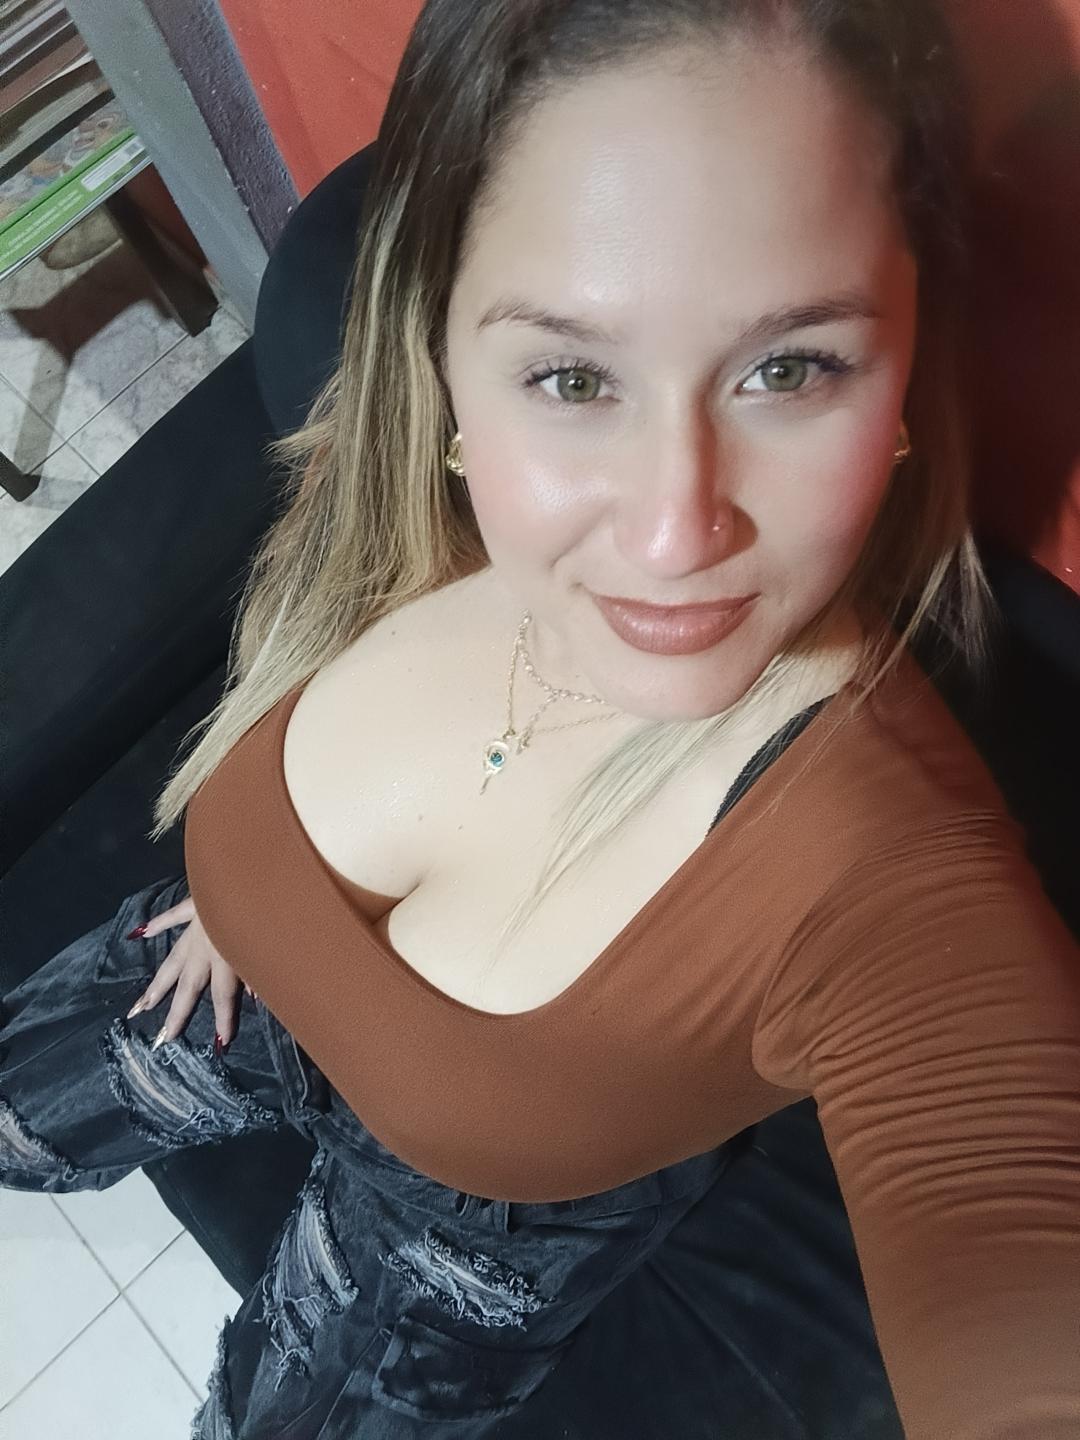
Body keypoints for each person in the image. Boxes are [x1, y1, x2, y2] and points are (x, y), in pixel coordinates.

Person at [2, 0, 1078, 1436]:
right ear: (446, 365)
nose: (673, 533)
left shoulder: (897, 884)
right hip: (214, 980)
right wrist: (249, 900)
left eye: (789, 367)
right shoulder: (407, 498)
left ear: (903, 381)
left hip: (456, 1253)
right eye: (574, 378)